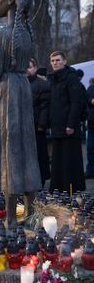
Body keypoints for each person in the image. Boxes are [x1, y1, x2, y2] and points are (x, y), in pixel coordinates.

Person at [0, 0, 42, 228]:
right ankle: (30, 210)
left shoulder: (1, 33)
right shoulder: (25, 33)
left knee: (7, 148)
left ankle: (10, 217)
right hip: (22, 90)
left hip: (6, 93)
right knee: (25, 148)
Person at [48, 51, 86, 192]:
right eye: (52, 61)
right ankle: (58, 189)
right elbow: (51, 103)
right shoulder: (51, 79)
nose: (55, 63)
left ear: (64, 61)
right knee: (58, 160)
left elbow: (76, 102)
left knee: (70, 159)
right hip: (56, 126)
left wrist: (70, 124)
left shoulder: (71, 77)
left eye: (58, 60)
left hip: (70, 127)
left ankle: (72, 189)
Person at [26, 58, 51, 186]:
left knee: (39, 155)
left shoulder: (43, 84)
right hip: (23, 127)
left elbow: (44, 106)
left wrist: (41, 125)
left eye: (29, 67)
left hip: (36, 127)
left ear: (35, 68)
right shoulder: (20, 83)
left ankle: (40, 180)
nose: (27, 70)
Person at [86, 77, 94, 179]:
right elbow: (89, 100)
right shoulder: (91, 88)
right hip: (92, 124)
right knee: (90, 149)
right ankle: (91, 171)